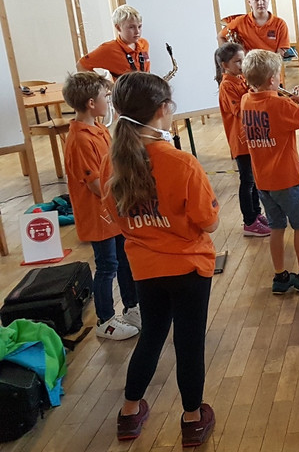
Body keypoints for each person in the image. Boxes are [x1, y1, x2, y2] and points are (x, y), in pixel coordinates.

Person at [102, 72, 218, 445]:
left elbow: (120, 219)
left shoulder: (114, 163)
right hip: (189, 267)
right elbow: (209, 222)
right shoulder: (182, 163)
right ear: (161, 111)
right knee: (188, 343)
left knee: (151, 335)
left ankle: (130, 411)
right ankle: (192, 418)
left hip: (145, 267)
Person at [241, 50, 299, 294]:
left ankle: (280, 276)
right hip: (287, 179)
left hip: (263, 181)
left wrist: (287, 101)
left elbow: (272, 114)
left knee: (277, 227)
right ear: (273, 79)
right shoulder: (280, 104)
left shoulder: (246, 101)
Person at [62, 72, 140, 340]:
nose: (108, 101)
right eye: (105, 97)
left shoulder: (97, 129)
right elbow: (94, 183)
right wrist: (119, 196)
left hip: (113, 211)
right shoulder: (80, 139)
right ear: (91, 103)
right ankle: (104, 320)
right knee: (107, 266)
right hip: (99, 216)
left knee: (125, 260)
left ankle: (132, 306)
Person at [215, 42, 270, 237]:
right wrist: (254, 94)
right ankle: (249, 221)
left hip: (251, 138)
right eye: (238, 62)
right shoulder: (227, 86)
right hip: (241, 141)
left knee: (254, 180)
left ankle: (257, 214)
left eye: (243, 60)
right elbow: (239, 110)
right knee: (246, 181)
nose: (242, 64)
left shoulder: (241, 79)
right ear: (225, 65)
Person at [77, 5, 150, 79]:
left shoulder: (144, 44)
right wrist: (105, 84)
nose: (137, 31)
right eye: (131, 27)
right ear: (118, 28)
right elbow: (82, 65)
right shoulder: (109, 49)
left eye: (139, 26)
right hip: (125, 90)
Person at [218, 0, 290, 56]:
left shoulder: (280, 23)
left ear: (268, 0)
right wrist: (229, 57)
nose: (261, 3)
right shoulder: (240, 21)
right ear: (249, 2)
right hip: (248, 65)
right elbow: (220, 36)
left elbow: (281, 50)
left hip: (271, 64)